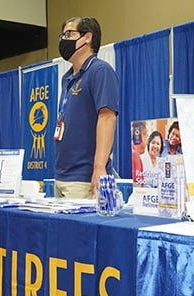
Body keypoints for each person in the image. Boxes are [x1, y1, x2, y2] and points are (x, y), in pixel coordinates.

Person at [54, 16, 119, 199]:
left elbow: (107, 118)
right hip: (61, 176)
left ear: (87, 37)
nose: (64, 40)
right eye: (62, 35)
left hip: (84, 179)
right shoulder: (67, 78)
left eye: (69, 34)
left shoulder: (100, 71)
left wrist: (99, 168)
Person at [131, 121, 147, 187]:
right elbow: (138, 187)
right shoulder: (135, 155)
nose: (147, 141)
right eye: (146, 136)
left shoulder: (133, 154)